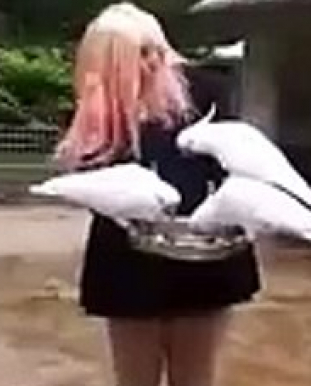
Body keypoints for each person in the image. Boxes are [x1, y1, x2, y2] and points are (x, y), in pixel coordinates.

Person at [54, 3, 261, 386]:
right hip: (127, 261)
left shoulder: (205, 94)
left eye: (155, 50)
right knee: (134, 378)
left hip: (204, 253)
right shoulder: (96, 109)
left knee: (195, 377)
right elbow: (90, 181)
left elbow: (236, 172)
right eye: (137, 54)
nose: (151, 62)